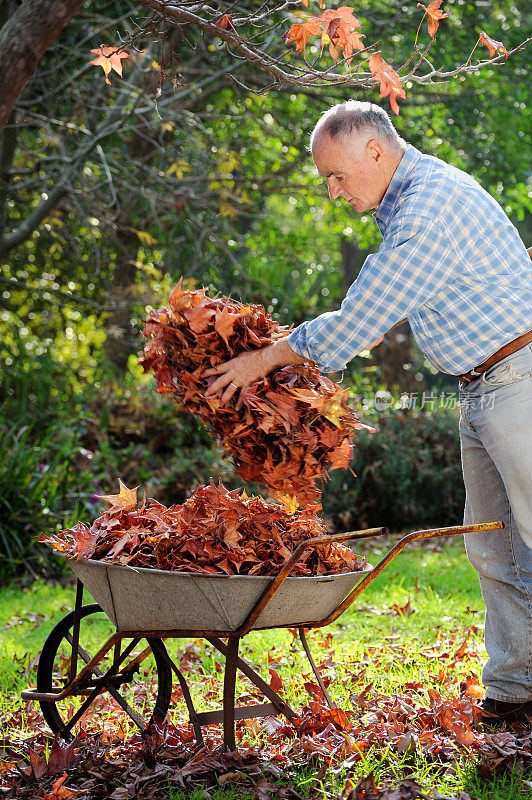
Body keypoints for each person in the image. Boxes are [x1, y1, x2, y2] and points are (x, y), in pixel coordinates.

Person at [204, 100, 532, 726]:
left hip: (521, 383)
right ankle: (518, 690)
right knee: (495, 549)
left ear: (375, 152)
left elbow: (363, 315)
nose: (332, 191)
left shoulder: (426, 208)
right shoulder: (408, 200)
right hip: (485, 387)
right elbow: (397, 301)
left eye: (337, 175)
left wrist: (267, 358)